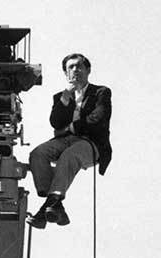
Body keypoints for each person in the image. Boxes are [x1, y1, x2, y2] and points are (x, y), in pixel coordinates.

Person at [27, 53, 112, 230]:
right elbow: (55, 122)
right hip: (65, 140)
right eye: (70, 68)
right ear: (66, 74)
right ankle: (54, 204)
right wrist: (66, 97)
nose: (75, 70)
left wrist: (71, 128)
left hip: (90, 143)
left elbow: (97, 118)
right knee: (38, 154)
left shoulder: (101, 92)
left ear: (88, 70)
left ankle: (48, 207)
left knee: (69, 156)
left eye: (79, 66)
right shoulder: (61, 96)